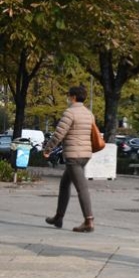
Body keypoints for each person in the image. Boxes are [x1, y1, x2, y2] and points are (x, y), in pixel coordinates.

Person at [43, 85, 96, 233]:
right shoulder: (88, 114)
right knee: (65, 184)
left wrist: (48, 149)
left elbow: (59, 134)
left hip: (73, 156)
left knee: (81, 188)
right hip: (85, 155)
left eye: (68, 96)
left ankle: (88, 220)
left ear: (73, 97)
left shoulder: (70, 113)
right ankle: (58, 217)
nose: (68, 98)